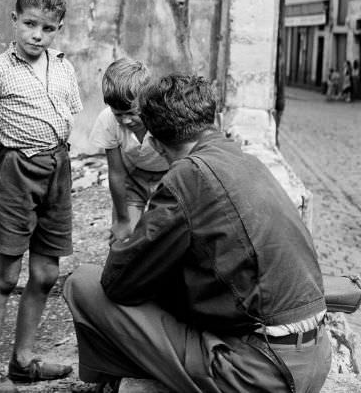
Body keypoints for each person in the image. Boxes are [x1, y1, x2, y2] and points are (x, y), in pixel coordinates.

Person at [64, 74, 331, 393]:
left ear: (155, 143)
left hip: (261, 373)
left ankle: (122, 373)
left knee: (83, 284)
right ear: (213, 119)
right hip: (315, 357)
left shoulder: (188, 177)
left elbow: (119, 281)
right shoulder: (246, 160)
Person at [0, 0, 83, 393]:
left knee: (47, 270)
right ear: (15, 20)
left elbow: (68, 117)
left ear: (58, 29)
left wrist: (54, 162)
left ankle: (24, 358)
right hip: (16, 170)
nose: (37, 35)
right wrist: (3, 166)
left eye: (47, 28)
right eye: (30, 24)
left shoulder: (64, 67)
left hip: (58, 168)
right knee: (5, 274)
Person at [90, 59, 169, 242]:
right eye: (119, 114)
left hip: (168, 177)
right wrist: (123, 220)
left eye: (133, 113)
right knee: (123, 239)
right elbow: (116, 174)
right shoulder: (107, 121)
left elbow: (181, 161)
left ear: (147, 102)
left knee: (165, 238)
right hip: (133, 178)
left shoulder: (163, 116)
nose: (126, 120)